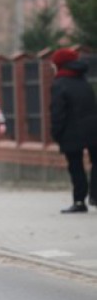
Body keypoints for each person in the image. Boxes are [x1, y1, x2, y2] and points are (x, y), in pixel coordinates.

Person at [49, 48, 97, 213]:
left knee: (76, 167)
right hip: (92, 130)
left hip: (71, 132)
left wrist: (56, 133)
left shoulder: (59, 84)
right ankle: (94, 195)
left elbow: (57, 112)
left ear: (59, 64)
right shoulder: (84, 81)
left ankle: (79, 201)